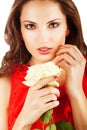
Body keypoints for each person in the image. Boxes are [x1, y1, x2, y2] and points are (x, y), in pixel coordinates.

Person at [0, 0, 87, 130]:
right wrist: (24, 120)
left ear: (68, 27)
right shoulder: (5, 84)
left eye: (53, 24)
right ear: (20, 31)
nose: (43, 38)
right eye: (30, 26)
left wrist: (76, 91)